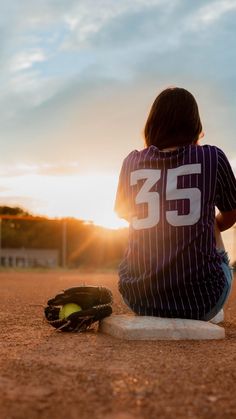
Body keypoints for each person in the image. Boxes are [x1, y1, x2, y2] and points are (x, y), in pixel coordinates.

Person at [115, 87, 236, 321]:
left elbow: (124, 214)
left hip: (139, 299)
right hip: (204, 300)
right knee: (208, 216)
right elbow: (231, 214)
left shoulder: (131, 161)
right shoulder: (213, 157)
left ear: (152, 123)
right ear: (195, 124)